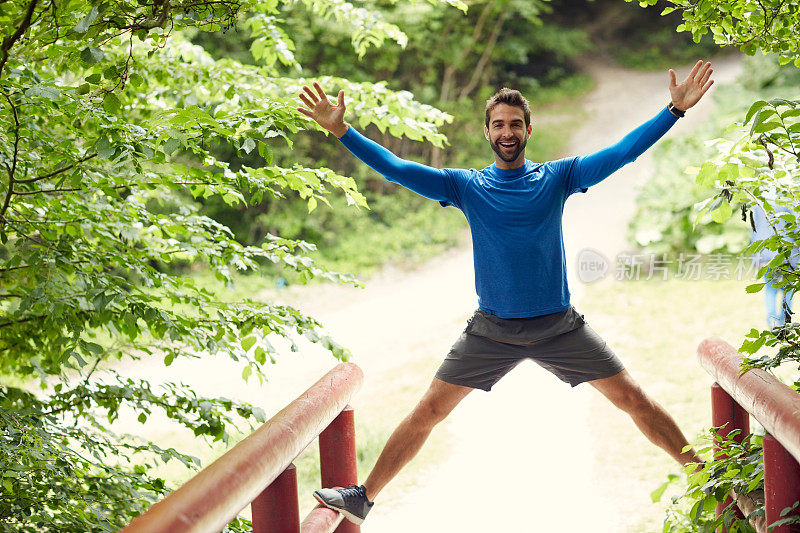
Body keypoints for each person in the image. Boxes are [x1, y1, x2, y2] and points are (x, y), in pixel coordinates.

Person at [298, 60, 715, 526]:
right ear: (487, 132)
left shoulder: (557, 177)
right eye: (499, 124)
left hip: (560, 326)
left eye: (515, 124)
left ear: (528, 130)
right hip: (491, 331)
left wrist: (672, 111)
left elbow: (621, 153)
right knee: (427, 412)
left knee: (633, 399)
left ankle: (708, 479)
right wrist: (342, 132)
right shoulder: (466, 186)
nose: (508, 131)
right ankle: (363, 496)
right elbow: (396, 168)